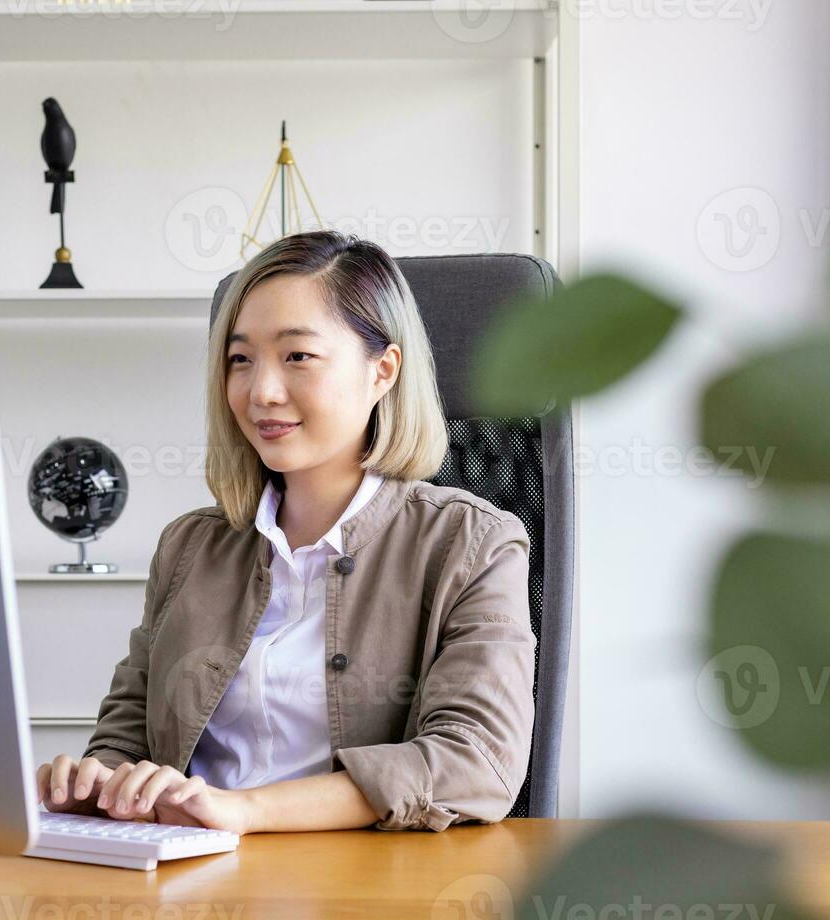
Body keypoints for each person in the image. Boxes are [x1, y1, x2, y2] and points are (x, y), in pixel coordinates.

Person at [36, 230, 536, 832]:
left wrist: (240, 810)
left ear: (382, 371)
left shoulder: (472, 544)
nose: (261, 392)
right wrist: (99, 782)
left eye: (297, 356)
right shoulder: (190, 547)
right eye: (240, 359)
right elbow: (128, 731)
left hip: (358, 895)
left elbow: (475, 762)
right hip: (187, 887)